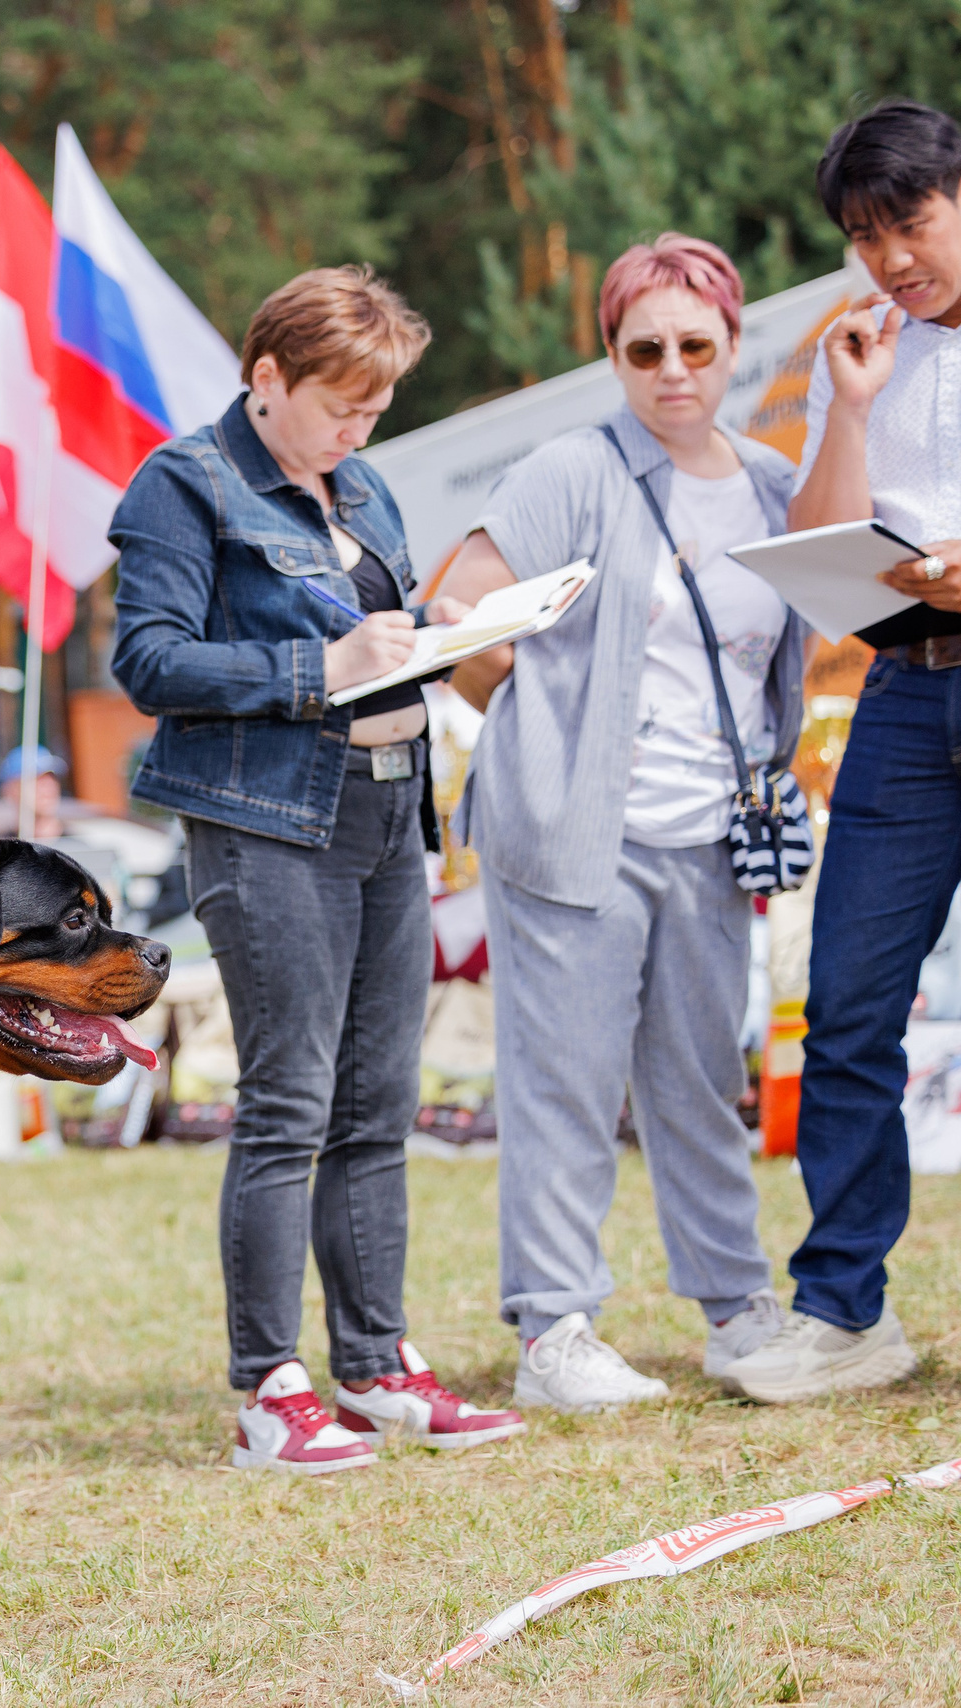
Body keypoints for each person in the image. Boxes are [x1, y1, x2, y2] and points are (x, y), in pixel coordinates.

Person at [114, 267, 527, 1473]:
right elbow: (148, 661)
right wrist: (323, 662)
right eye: (342, 403)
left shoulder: (365, 485)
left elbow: (380, 645)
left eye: (376, 407)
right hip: (263, 819)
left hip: (387, 809)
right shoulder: (183, 483)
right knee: (288, 1103)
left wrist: (446, 632)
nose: (361, 428)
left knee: (377, 1105)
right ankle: (268, 1385)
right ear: (268, 377)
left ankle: (378, 1363)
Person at [440, 235, 808, 1412]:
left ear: (731, 347)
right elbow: (458, 609)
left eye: (694, 346)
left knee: (701, 1076)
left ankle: (738, 1308)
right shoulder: (571, 469)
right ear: (611, 354)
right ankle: (553, 1329)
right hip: (573, 834)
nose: (671, 370)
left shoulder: (766, 481)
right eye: (642, 348)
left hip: (710, 833)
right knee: (566, 1079)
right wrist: (540, 725)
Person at [723, 98, 961, 1403]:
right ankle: (848, 1314)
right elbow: (828, 558)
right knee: (853, 1004)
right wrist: (857, 405)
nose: (888, 260)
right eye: (863, 237)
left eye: (909, 223)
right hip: (907, 698)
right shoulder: (856, 349)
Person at [0, 743, 100, 838]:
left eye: (51, 778)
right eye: (35, 779)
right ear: (9, 790)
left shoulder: (79, 844)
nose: (47, 787)